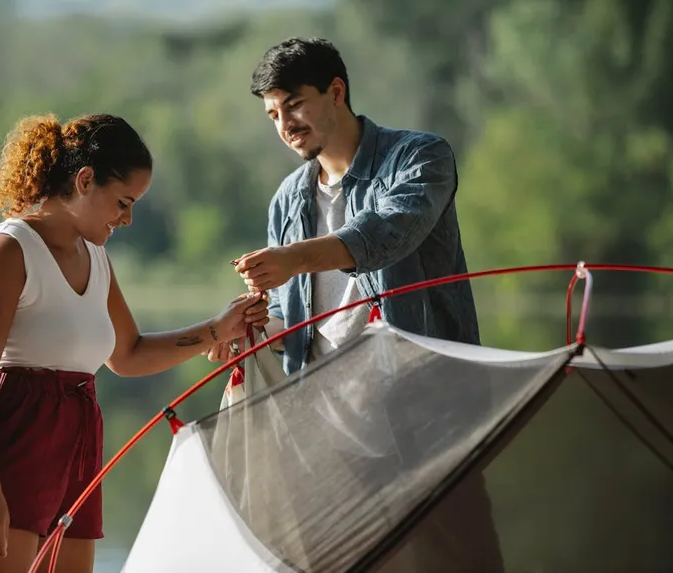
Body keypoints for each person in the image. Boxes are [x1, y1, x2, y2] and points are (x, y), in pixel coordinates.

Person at [207, 38, 505, 571]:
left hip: (430, 415)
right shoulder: (287, 200)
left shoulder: (420, 156)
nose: (284, 124)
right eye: (273, 113)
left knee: (461, 559)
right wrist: (250, 328)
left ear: (336, 91)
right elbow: (288, 312)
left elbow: (386, 233)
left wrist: (294, 258)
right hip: (324, 425)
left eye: (294, 103)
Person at [0, 112, 269, 573]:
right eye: (123, 202)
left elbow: (127, 355)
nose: (127, 219)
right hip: (3, 450)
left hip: (75, 450)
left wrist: (218, 329)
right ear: (85, 180)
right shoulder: (7, 251)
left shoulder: (96, 259)